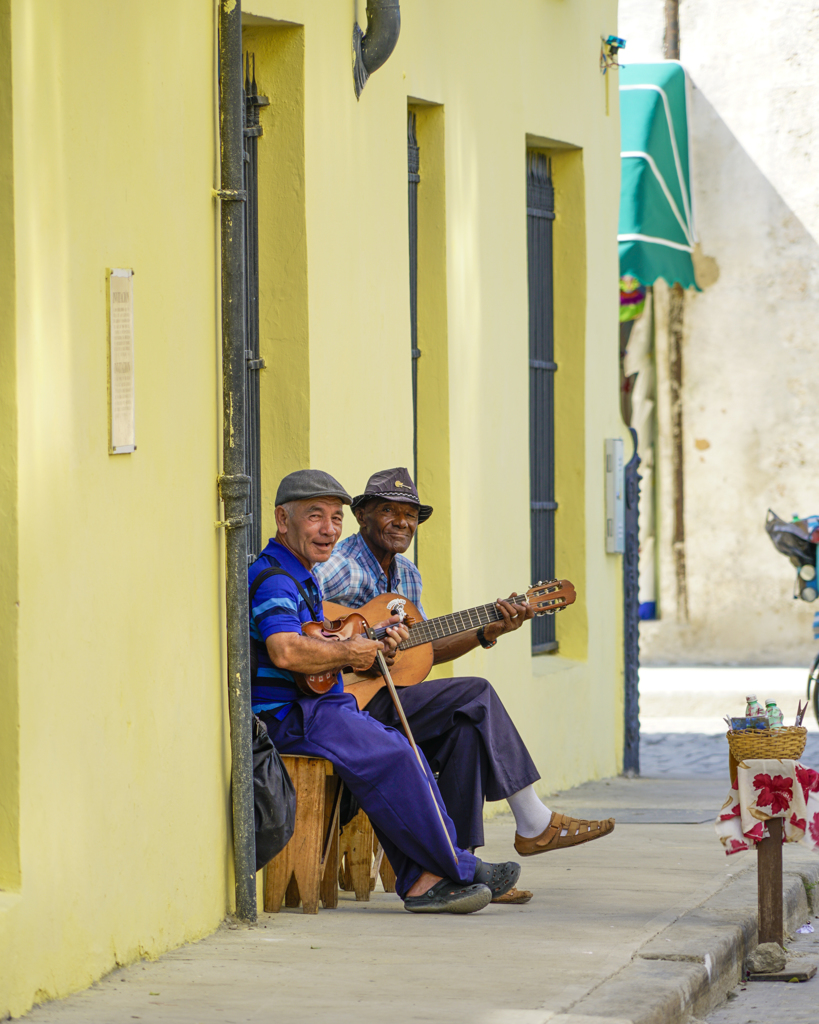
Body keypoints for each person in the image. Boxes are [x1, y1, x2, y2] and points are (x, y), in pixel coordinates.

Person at [314, 467, 615, 904]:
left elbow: (425, 651)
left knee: (465, 729)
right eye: (388, 511)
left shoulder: (408, 577)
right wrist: (353, 646)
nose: (402, 522)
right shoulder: (338, 566)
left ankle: (464, 875)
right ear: (362, 516)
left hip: (387, 697)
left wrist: (487, 631)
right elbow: (309, 622)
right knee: (476, 693)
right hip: (344, 702)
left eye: (410, 515)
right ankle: (533, 822)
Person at [249, 468, 522, 915]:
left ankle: (432, 876)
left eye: (335, 518)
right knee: (394, 755)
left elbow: (321, 640)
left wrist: (368, 643)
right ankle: (452, 870)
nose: (328, 529)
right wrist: (351, 653)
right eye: (315, 516)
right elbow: (285, 650)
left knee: (401, 749)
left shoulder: (303, 572)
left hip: (320, 704)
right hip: (290, 713)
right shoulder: (276, 577)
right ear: (283, 520)